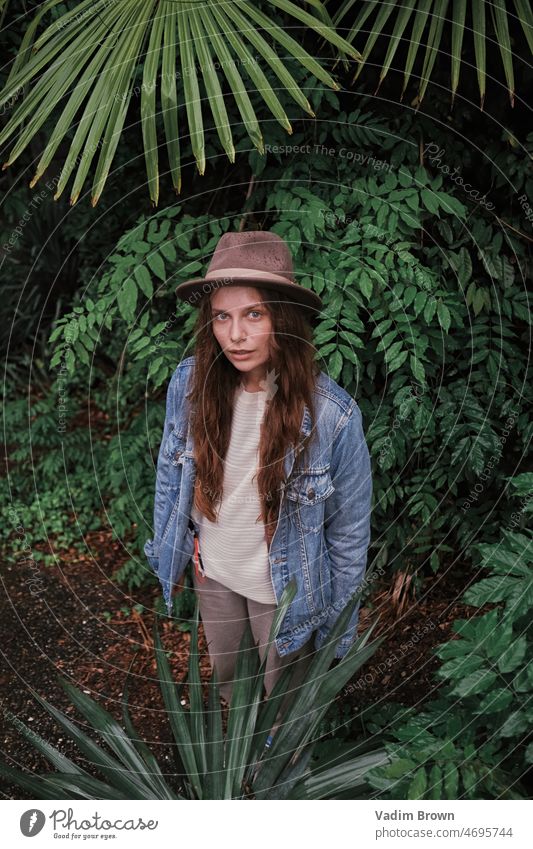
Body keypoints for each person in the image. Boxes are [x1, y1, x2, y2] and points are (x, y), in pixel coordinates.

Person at [144, 230, 373, 737]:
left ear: (284, 320)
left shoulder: (333, 417)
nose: (236, 335)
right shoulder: (190, 384)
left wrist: (338, 630)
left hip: (285, 591)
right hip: (215, 575)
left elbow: (350, 536)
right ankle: (237, 771)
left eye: (254, 315)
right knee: (231, 686)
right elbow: (170, 473)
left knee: (284, 711)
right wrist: (177, 546)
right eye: (222, 316)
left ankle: (278, 788)